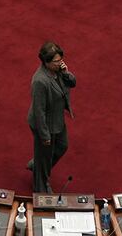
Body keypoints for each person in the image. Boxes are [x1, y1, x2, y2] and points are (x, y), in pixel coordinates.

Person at [27, 41, 77, 194]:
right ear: (46, 62)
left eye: (61, 59)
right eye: (56, 61)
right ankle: (41, 188)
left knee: (62, 146)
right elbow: (39, 110)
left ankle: (38, 164)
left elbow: (73, 83)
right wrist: (44, 135)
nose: (60, 62)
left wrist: (66, 72)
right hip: (44, 124)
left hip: (57, 121)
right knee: (44, 157)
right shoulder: (40, 81)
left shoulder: (58, 71)